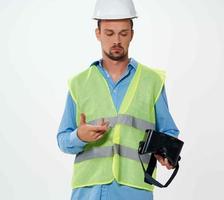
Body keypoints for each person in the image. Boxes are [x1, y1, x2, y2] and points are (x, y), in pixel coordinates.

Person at [57, 0, 179, 199]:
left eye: (123, 33)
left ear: (132, 34)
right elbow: (63, 139)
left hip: (134, 190)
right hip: (89, 191)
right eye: (109, 33)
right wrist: (79, 136)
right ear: (98, 34)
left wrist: (166, 153)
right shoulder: (78, 84)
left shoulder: (152, 81)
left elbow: (169, 131)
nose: (116, 40)